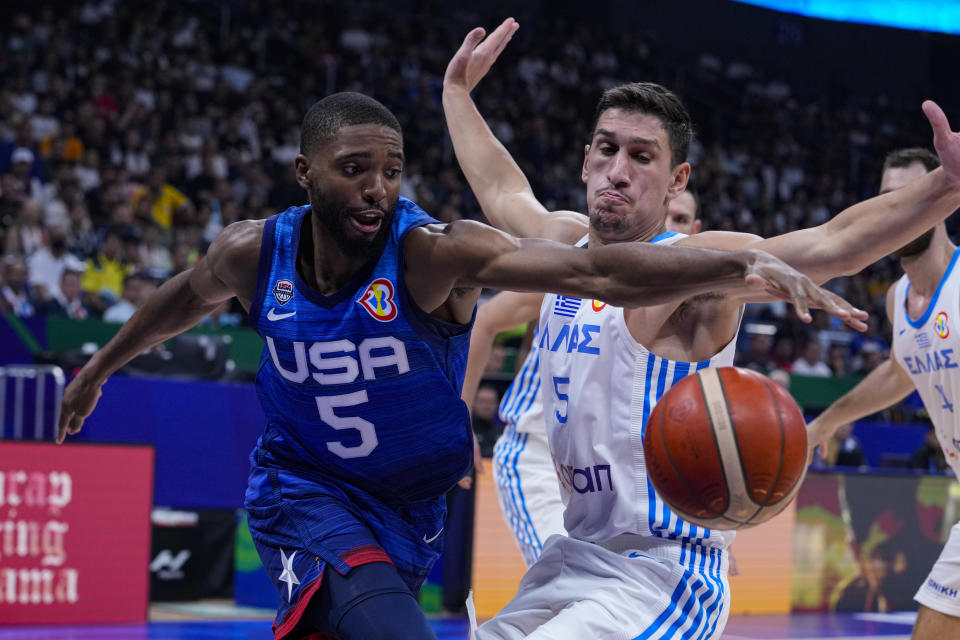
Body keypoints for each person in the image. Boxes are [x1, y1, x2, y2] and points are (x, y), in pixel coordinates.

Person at [55, 92, 849, 640]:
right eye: (354, 169)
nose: (376, 190)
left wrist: (732, 266)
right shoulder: (255, 252)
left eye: (392, 171)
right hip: (308, 488)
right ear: (306, 174)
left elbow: (591, 271)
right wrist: (101, 367)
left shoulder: (433, 252)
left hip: (407, 508)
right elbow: (184, 297)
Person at [442, 19, 960, 639]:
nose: (618, 170)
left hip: (662, 576)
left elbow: (834, 242)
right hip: (574, 558)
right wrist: (456, 95)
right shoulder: (565, 247)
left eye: (641, 156)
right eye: (606, 149)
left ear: (676, 181)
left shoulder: (700, 270)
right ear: (585, 161)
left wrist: (947, 186)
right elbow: (503, 189)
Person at [461, 187, 704, 568]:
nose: (669, 229)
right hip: (539, 456)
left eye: (680, 221)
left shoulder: (687, 319)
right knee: (568, 590)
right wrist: (460, 420)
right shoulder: (590, 272)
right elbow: (485, 320)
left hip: (606, 481)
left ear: (696, 232)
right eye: (666, 217)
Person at [807, 147, 960, 640]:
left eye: (912, 195)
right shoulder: (897, 300)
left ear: (940, 201)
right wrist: (828, 420)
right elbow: (900, 372)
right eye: (887, 198)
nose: (898, 209)